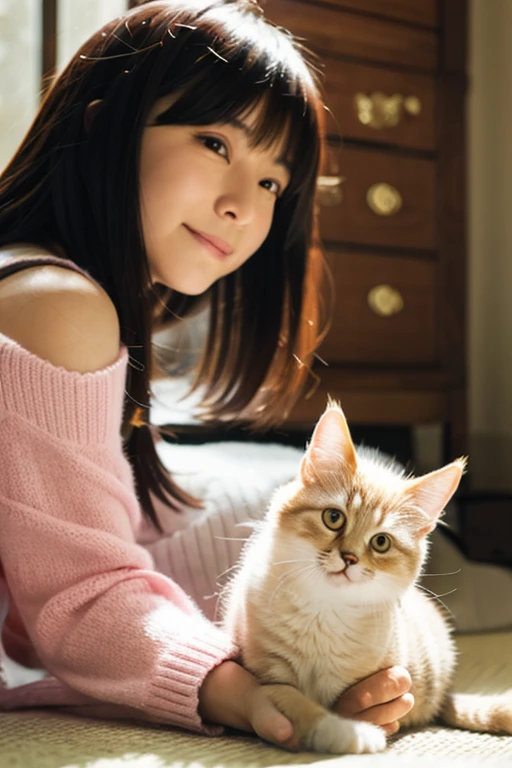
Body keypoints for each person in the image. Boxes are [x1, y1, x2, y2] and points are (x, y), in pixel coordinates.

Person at [0, 0, 413, 749]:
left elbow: (71, 555)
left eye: (272, 185)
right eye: (216, 142)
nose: (241, 208)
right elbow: (80, 593)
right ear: (103, 126)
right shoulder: (57, 305)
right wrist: (250, 692)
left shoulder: (44, 287)